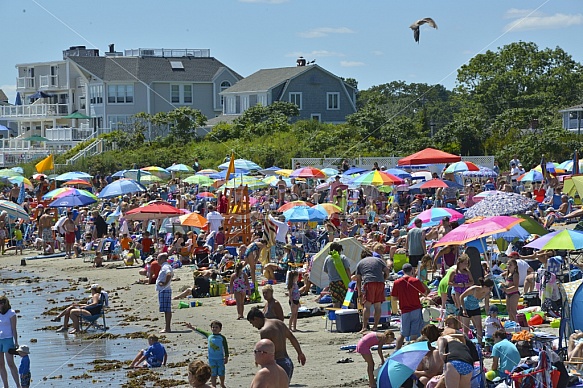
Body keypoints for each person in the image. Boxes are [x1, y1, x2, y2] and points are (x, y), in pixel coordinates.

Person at [247, 307, 306, 383]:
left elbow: (265, 350)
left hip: (277, 364)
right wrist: (300, 353)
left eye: (252, 323)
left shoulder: (265, 330)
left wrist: (258, 360)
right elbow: (292, 338)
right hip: (288, 362)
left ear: (256, 319)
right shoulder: (279, 323)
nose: (253, 326)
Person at [391, 263, 429, 349]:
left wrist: (402, 298)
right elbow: (424, 293)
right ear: (411, 270)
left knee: (402, 334)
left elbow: (394, 298)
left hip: (404, 310)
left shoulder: (397, 282)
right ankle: (412, 351)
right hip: (415, 308)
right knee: (414, 334)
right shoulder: (415, 281)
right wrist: (416, 296)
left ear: (403, 271)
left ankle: (397, 350)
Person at [185, 321, 229, 388]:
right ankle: (213, 385)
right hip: (212, 359)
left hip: (220, 358)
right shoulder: (209, 335)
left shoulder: (222, 338)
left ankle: (222, 384)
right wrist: (192, 327)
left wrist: (226, 356)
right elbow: (200, 331)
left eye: (216, 327)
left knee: (221, 372)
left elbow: (225, 347)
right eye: (213, 327)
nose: (214, 328)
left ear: (220, 329)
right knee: (213, 373)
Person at [356, 250, 390, 332]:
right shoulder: (378, 260)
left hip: (369, 282)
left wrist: (359, 293)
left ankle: (364, 327)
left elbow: (358, 280)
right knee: (377, 306)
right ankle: (375, 326)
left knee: (367, 306)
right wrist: (383, 279)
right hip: (380, 283)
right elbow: (387, 271)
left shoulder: (360, 263)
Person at [459, 277, 494, 346]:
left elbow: (486, 305)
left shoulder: (487, 293)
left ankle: (479, 343)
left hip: (475, 307)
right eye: (490, 288)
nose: (491, 290)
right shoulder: (474, 289)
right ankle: (466, 344)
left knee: (479, 327)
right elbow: (461, 297)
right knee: (466, 328)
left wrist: (488, 314)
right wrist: (463, 309)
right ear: (484, 286)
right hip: (466, 307)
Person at [323, 242, 351, 308]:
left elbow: (325, 270)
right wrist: (350, 280)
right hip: (343, 281)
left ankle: (337, 316)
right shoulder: (343, 257)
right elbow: (347, 270)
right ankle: (348, 313)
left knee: (335, 301)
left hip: (332, 282)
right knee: (347, 299)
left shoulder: (328, 258)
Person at [0, 295, 20, 388]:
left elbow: (13, 328)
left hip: (8, 339)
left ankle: (18, 385)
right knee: (0, 364)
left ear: (4, 304)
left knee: (10, 363)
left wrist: (16, 341)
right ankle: (6, 385)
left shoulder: (11, 313)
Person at [156, 253, 173, 333]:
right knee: (166, 309)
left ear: (162, 259)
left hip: (165, 290)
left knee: (167, 309)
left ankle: (167, 328)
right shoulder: (165, 266)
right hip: (163, 290)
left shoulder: (166, 266)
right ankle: (167, 327)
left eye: (158, 259)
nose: (157, 260)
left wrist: (165, 283)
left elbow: (169, 274)